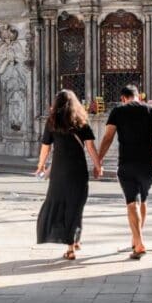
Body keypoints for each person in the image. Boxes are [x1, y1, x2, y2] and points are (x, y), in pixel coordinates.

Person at [96, 84, 152, 260]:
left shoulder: (118, 111)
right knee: (143, 199)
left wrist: (98, 159)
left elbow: (108, 137)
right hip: (148, 164)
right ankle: (136, 237)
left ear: (123, 98)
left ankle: (138, 243)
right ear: (139, 96)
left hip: (127, 163)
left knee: (132, 202)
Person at [35, 89, 103, 260]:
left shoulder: (52, 122)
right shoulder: (82, 122)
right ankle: (72, 243)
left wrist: (40, 166)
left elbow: (45, 147)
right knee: (76, 204)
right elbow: (90, 147)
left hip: (59, 171)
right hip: (78, 170)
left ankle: (72, 245)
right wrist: (98, 165)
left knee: (59, 204)